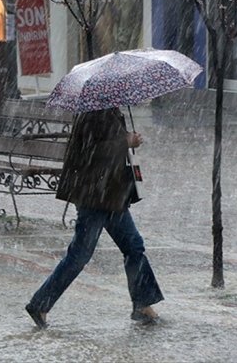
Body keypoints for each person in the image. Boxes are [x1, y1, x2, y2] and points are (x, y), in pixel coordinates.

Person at [25, 107, 163, 329]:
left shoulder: (107, 110)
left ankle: (142, 305)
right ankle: (40, 303)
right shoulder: (94, 112)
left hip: (110, 196)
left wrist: (126, 141)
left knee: (134, 246)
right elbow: (91, 152)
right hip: (95, 196)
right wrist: (125, 141)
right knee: (79, 254)